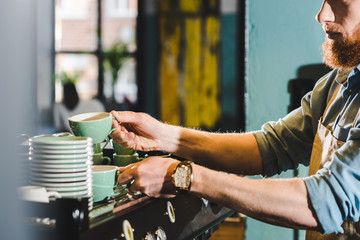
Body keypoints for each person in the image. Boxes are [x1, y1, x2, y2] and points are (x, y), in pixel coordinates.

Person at [110, 0, 360, 239]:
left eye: (340, 1)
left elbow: (326, 200)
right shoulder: (340, 83)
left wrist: (185, 177)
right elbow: (272, 146)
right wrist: (165, 137)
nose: (322, 15)